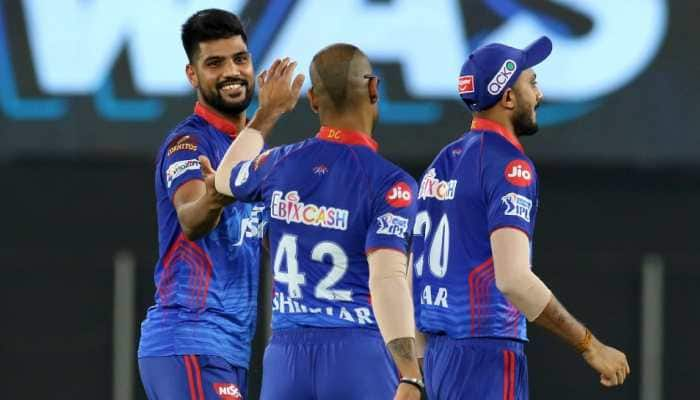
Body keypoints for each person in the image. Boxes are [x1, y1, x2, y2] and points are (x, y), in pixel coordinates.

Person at [411, 36, 630, 399]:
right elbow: (513, 280)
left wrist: (415, 368)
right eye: (532, 83)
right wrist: (589, 344)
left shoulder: (441, 163)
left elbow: (411, 273)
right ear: (508, 98)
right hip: (486, 356)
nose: (539, 95)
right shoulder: (510, 166)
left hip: (437, 357)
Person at [208, 44, 423, 399]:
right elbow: (386, 279)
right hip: (357, 353)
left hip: (285, 359)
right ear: (373, 89)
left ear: (312, 100)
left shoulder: (278, 162)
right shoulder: (391, 183)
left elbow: (224, 177)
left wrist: (267, 111)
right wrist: (410, 372)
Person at [137, 9, 265, 400]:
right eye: (214, 63)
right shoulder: (188, 144)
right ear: (192, 75)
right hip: (190, 338)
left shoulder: (252, 151)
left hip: (230, 349)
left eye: (240, 59)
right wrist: (270, 114)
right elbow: (191, 218)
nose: (232, 71)